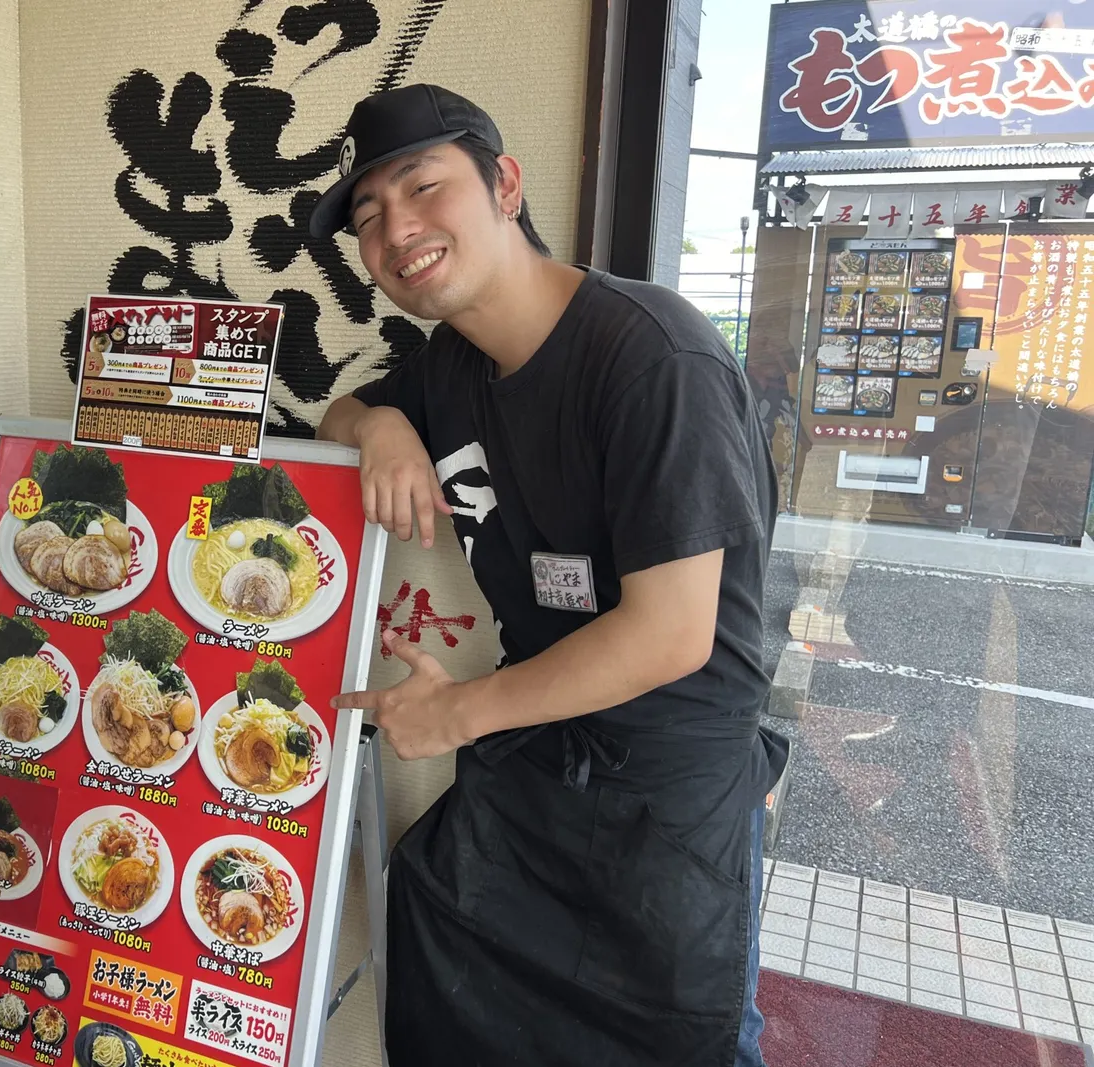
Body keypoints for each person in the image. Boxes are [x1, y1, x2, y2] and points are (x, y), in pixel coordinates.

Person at [313, 85, 788, 1067]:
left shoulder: (652, 358)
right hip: (539, 768)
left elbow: (669, 632)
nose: (397, 229)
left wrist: (459, 712)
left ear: (504, 185)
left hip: (667, 787)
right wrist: (381, 427)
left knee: (675, 1042)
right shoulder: (450, 366)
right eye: (367, 218)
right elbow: (339, 409)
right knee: (441, 939)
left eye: (422, 187)